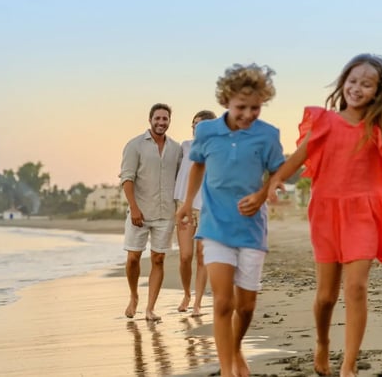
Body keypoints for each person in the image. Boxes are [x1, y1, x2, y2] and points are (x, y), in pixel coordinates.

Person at [260, 54, 382, 377]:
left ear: (379, 91)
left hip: (366, 210)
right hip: (327, 211)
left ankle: (349, 365)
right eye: (352, 81)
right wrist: (274, 182)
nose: (357, 88)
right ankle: (322, 342)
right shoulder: (324, 121)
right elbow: (298, 158)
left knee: (357, 288)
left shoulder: (381, 126)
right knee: (325, 296)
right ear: (342, 83)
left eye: (366, 84)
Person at [175, 64, 285, 377]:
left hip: (251, 229)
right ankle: (227, 369)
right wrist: (186, 204)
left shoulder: (268, 135)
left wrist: (265, 193)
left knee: (246, 306)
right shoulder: (207, 131)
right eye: (241, 107)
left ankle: (235, 348)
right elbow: (196, 165)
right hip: (215, 227)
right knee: (222, 302)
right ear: (225, 100)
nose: (248, 114)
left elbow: (278, 172)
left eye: (255, 107)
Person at [120, 103, 183, 321]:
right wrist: (134, 208)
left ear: (169, 121)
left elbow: (182, 179)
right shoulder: (135, 145)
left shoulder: (176, 149)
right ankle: (134, 296)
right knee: (133, 259)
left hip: (165, 213)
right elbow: (127, 178)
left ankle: (150, 309)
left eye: (165, 119)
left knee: (158, 260)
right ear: (150, 120)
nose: (161, 122)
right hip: (140, 212)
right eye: (157, 118)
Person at [174, 109, 217, 317]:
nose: (195, 128)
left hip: (208, 207)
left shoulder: (218, 149)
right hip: (185, 204)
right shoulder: (184, 147)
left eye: (200, 125)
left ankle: (198, 303)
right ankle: (186, 294)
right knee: (185, 256)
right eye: (194, 124)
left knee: (202, 256)